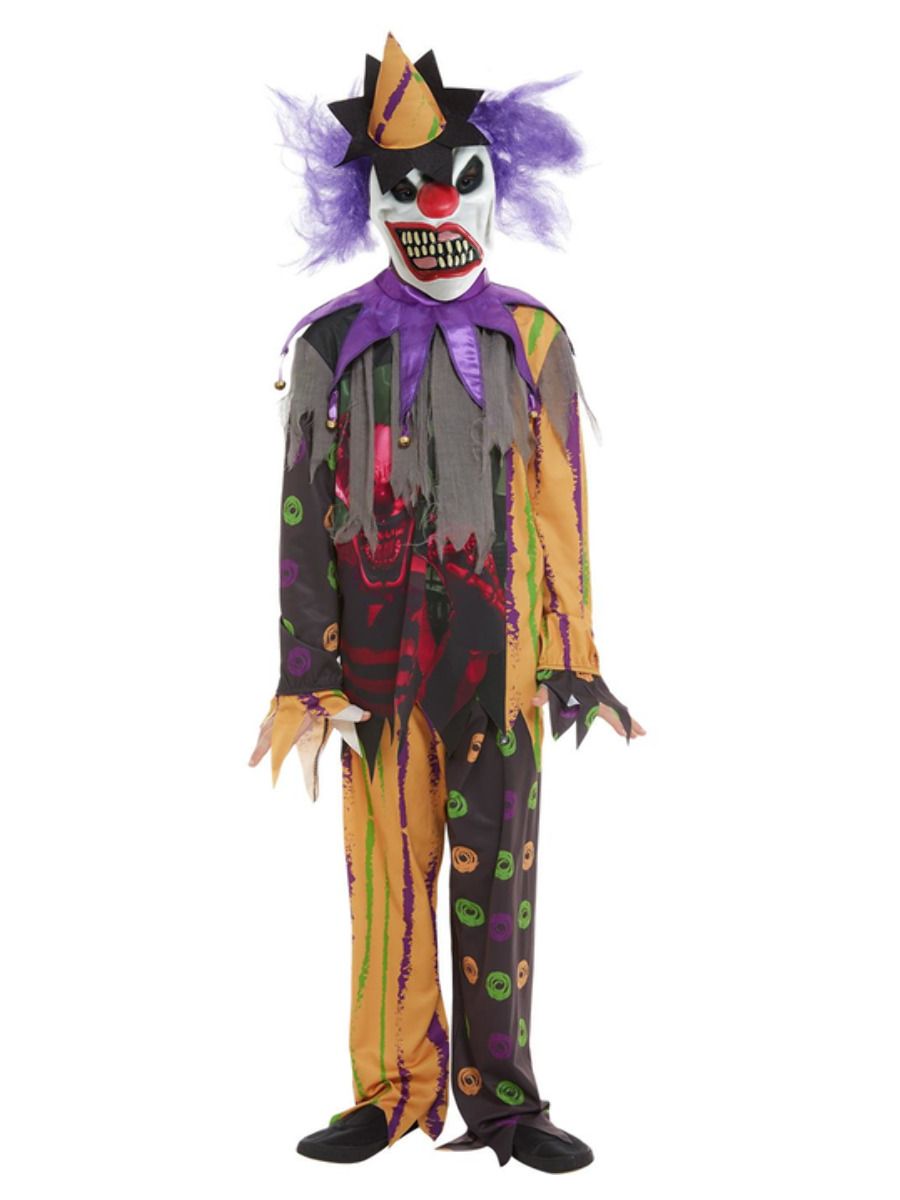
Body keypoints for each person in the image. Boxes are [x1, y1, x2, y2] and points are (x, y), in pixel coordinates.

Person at [249, 32, 646, 1173]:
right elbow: (301, 515)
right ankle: (391, 1086)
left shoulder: (535, 337)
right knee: (386, 884)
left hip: (501, 667)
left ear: (491, 191)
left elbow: (563, 509)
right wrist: (308, 673)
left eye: (456, 180)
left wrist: (573, 655)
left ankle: (503, 1099)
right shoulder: (330, 346)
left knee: (499, 880)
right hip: (375, 675)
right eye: (406, 183)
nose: (432, 204)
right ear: (371, 200)